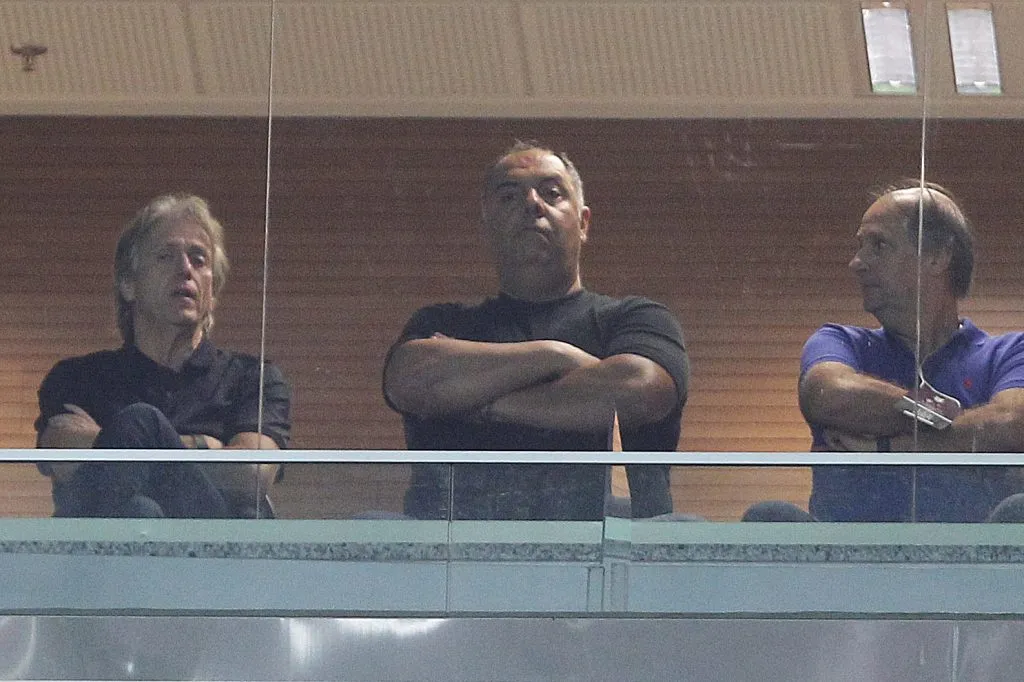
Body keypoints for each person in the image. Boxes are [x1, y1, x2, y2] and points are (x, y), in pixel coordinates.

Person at [382, 141, 689, 520]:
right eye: (509, 196)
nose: (532, 204)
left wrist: (481, 402)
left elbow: (638, 390)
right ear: (487, 225)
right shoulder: (441, 323)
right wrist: (555, 355)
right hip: (454, 561)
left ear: (584, 222)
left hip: (615, 559)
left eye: (552, 193)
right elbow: (410, 380)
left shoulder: (636, 318)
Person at [747, 181, 1024, 523]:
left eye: (879, 245)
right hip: (847, 566)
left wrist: (888, 448)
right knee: (769, 518)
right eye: (860, 246)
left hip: (971, 568)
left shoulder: (1011, 352)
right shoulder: (838, 342)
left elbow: (1012, 426)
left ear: (937, 256)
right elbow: (828, 395)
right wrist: (949, 423)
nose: (856, 262)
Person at [35, 194, 291, 518]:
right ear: (129, 284)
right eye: (166, 257)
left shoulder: (252, 378)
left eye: (199, 259)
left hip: (210, 559)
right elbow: (62, 452)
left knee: (141, 422)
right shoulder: (78, 378)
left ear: (213, 294)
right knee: (139, 511)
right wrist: (205, 447)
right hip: (108, 559)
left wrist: (130, 437)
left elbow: (252, 475)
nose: (185, 269)